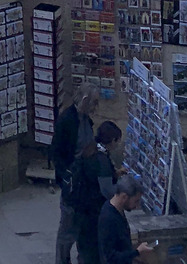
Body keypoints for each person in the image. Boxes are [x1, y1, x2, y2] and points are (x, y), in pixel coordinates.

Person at [52, 88, 101, 264]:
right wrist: (66, 178)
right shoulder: (67, 121)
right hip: (73, 183)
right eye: (94, 102)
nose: (96, 107)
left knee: (83, 226)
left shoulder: (85, 120)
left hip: (85, 184)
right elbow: (57, 153)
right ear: (85, 99)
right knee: (67, 229)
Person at [69, 120, 122, 264]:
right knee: (93, 252)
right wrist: (123, 189)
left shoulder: (91, 150)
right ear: (112, 140)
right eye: (117, 141)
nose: (117, 145)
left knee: (85, 250)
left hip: (83, 210)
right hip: (93, 213)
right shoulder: (102, 161)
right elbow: (107, 191)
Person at [98, 174, 157, 264]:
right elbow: (110, 256)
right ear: (124, 197)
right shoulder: (108, 218)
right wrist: (136, 252)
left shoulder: (119, 211)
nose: (136, 206)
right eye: (136, 201)